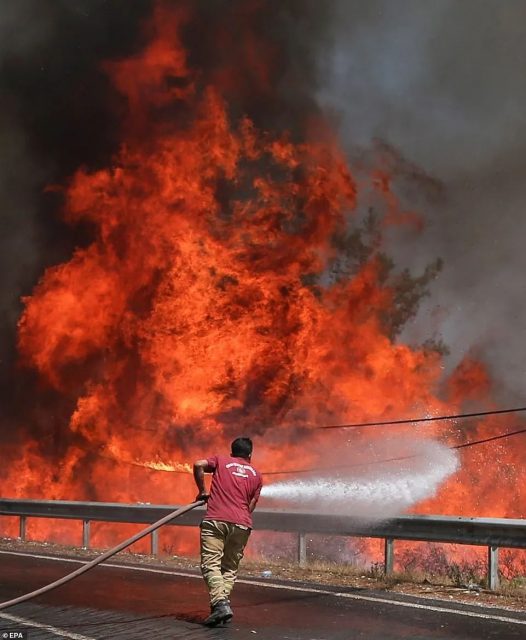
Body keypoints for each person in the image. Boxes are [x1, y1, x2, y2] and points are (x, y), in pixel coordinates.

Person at [193, 436, 263, 626]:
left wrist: (202, 491)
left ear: (232, 452)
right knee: (229, 568)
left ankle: (220, 604)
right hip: (242, 524)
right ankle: (220, 606)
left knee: (211, 565)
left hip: (216, 520)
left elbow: (198, 464)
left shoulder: (221, 461)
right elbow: (251, 505)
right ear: (250, 455)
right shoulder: (256, 474)